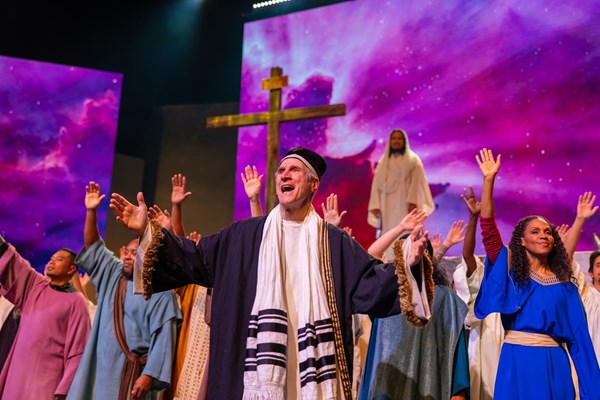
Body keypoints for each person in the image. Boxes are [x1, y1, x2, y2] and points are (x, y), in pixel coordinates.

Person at [110, 146, 432, 399]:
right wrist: (147, 230)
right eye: (281, 171)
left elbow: (370, 284)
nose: (284, 175)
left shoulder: (333, 243)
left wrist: (409, 262)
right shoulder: (244, 236)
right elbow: (194, 258)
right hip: (252, 375)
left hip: (310, 378)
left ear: (313, 184)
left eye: (294, 170)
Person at [473, 148, 600, 400]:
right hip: (517, 362)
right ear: (521, 241)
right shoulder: (511, 274)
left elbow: (581, 342)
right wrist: (488, 181)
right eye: (535, 231)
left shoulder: (566, 287)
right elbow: (488, 231)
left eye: (548, 232)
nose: (544, 235)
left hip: (555, 365)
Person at [67, 181, 181, 400]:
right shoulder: (114, 274)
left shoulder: (161, 293)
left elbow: (164, 338)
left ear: (147, 256)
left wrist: (148, 375)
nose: (128, 256)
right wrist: (91, 212)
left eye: (135, 253)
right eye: (127, 252)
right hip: (98, 369)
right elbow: (93, 247)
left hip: (130, 375)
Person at [359, 218, 470, 400]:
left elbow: (456, 351)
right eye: (408, 252)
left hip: (427, 389)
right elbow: (372, 255)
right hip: (386, 388)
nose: (415, 256)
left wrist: (458, 393)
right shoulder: (386, 295)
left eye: (420, 252)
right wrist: (400, 227)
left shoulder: (444, 299)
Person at [0, 238, 90, 400]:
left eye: (59, 259)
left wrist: (64, 389)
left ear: (71, 269)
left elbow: (78, 351)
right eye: (51, 258)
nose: (52, 262)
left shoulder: (76, 302)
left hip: (47, 381)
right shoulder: (35, 286)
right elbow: (15, 265)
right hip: (17, 375)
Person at [452, 186, 503, 400]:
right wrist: (473, 218)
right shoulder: (479, 291)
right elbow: (467, 256)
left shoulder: (509, 286)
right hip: (479, 343)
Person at [367, 129, 434, 258]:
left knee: (407, 233)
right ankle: (389, 262)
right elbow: (376, 185)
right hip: (387, 206)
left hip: (406, 206)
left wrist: (413, 201)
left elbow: (417, 183)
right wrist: (376, 205)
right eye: (394, 138)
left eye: (399, 138)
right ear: (390, 141)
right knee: (389, 234)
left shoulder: (413, 160)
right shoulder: (383, 162)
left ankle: (408, 262)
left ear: (404, 141)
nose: (396, 141)